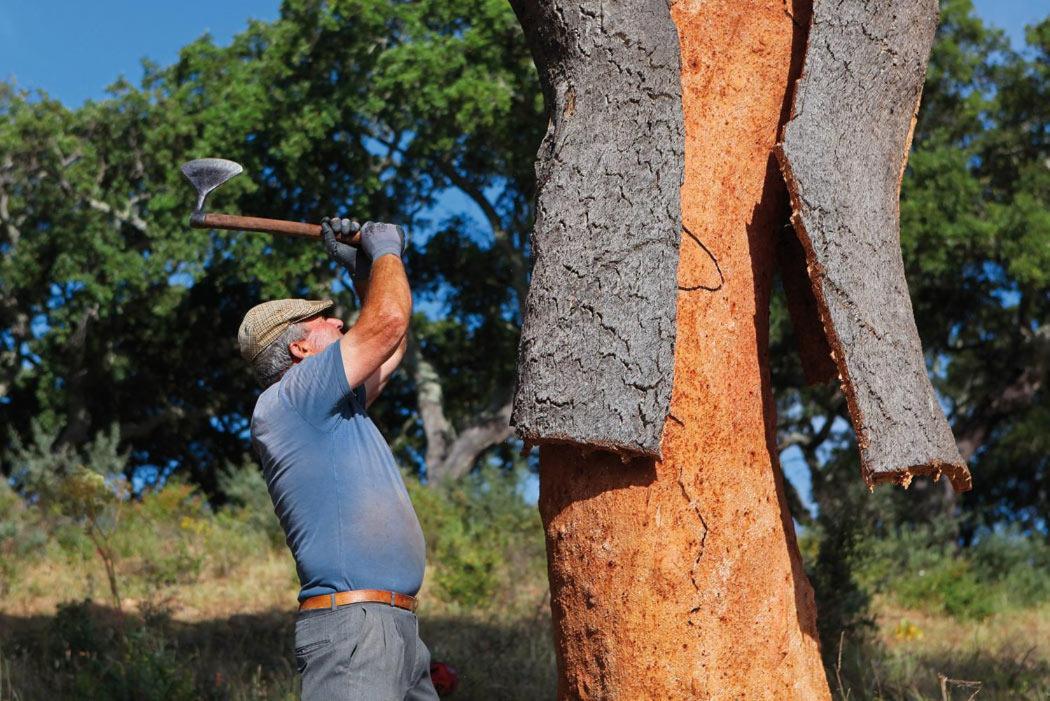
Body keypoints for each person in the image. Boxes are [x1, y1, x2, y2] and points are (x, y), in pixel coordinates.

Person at [238, 217, 438, 700]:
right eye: (321, 320)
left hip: (392, 628)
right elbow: (385, 322)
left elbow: (390, 343)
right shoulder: (294, 396)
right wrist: (386, 251)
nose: (337, 320)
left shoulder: (328, 404)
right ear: (299, 347)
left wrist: (365, 273)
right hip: (355, 630)